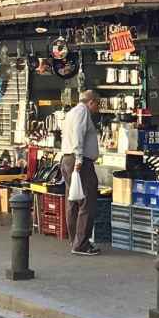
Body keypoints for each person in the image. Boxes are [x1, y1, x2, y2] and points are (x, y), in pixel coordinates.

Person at [59, 89, 102, 256]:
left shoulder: (71, 113)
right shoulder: (82, 112)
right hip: (79, 161)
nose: (97, 108)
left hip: (68, 159)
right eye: (97, 104)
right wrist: (79, 159)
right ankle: (81, 244)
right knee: (87, 201)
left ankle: (75, 240)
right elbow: (78, 134)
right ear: (91, 102)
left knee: (73, 200)